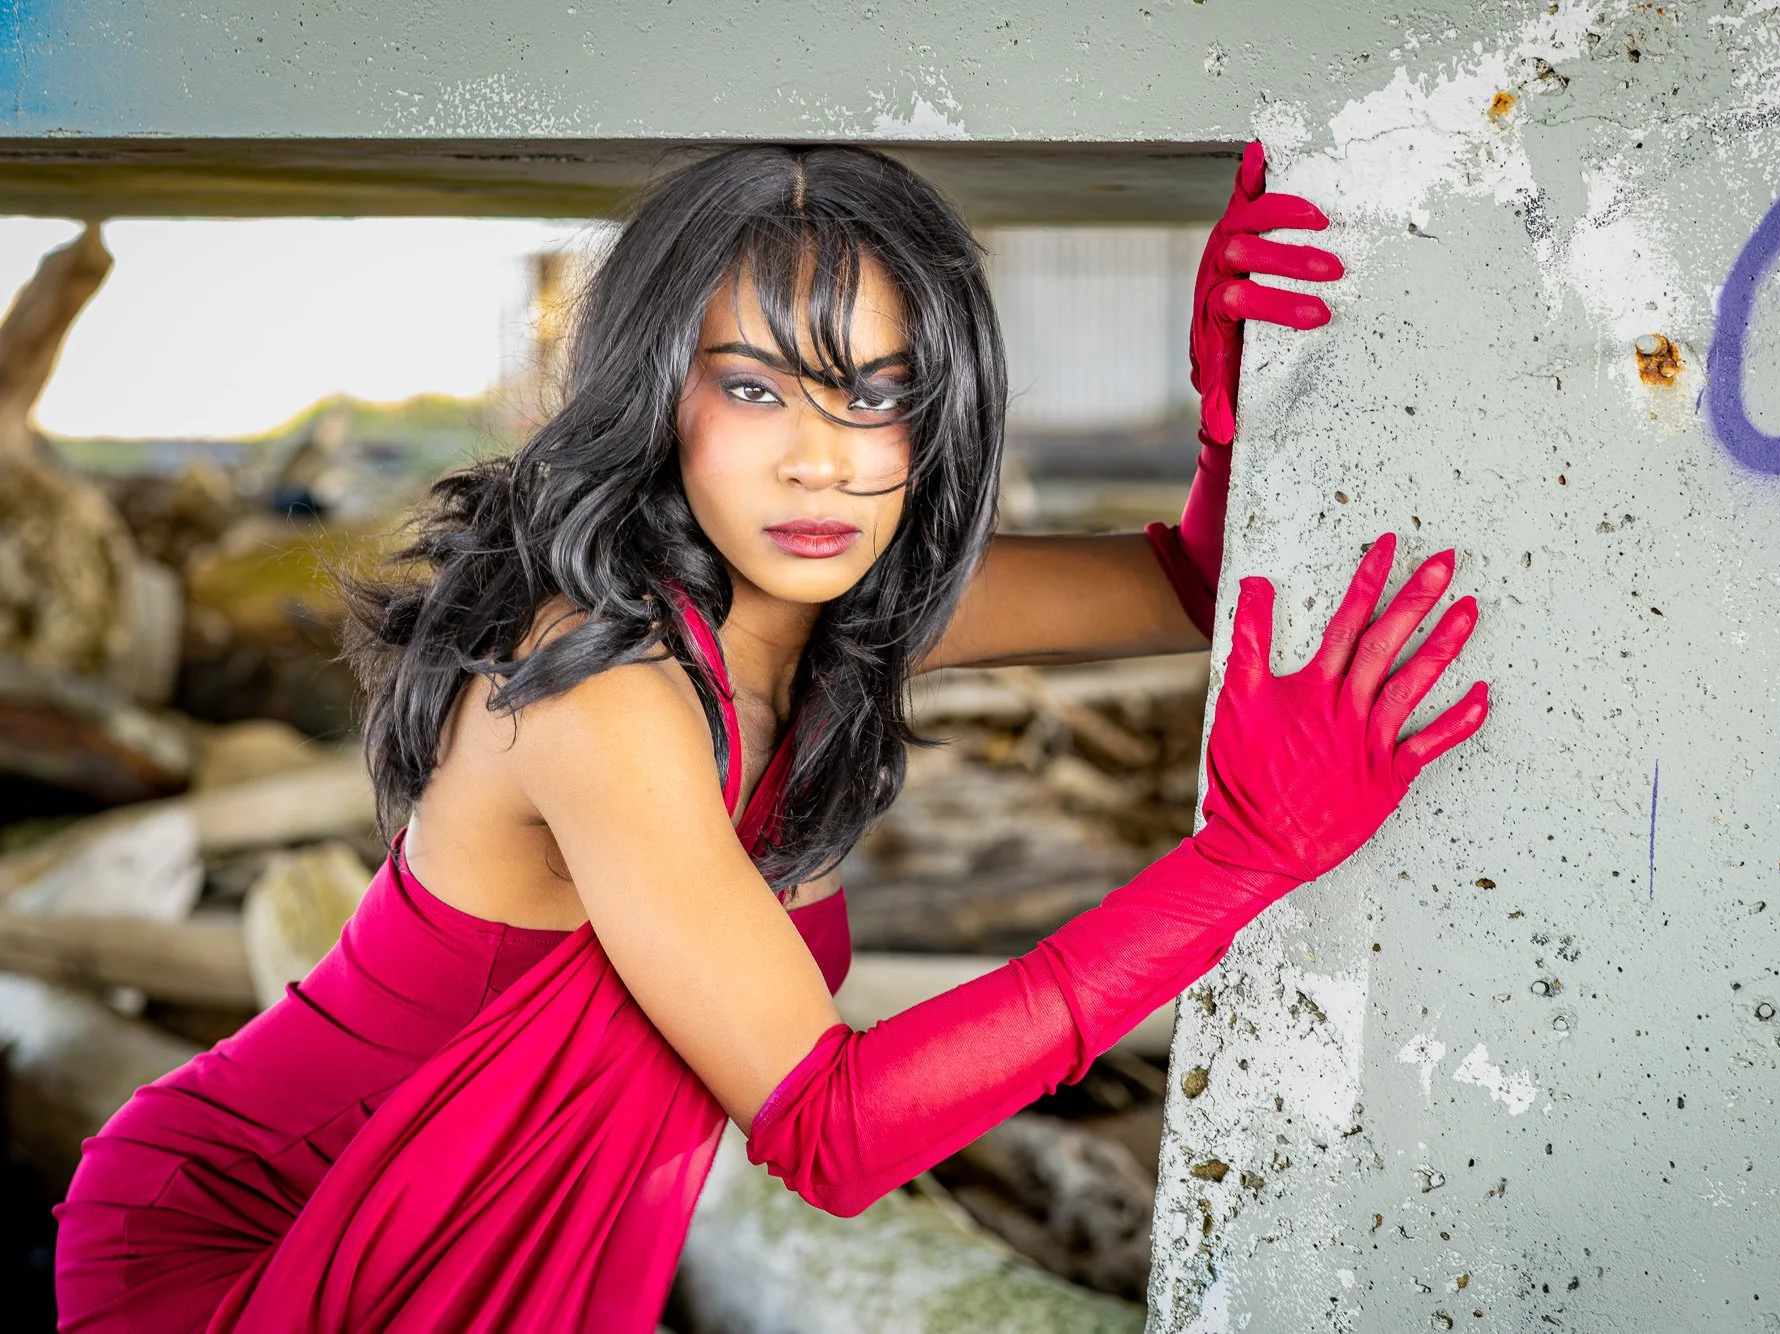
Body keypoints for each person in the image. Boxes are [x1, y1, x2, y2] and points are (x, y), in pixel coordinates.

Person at [53, 142, 1487, 1332]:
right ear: (652, 390)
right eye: (755, 386)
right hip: (262, 1237)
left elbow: (1186, 581)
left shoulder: (838, 598)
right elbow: (835, 1129)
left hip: (507, 1238)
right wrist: (1244, 859)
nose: (823, 453)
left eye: (877, 392)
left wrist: (1251, 403)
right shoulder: (603, 687)